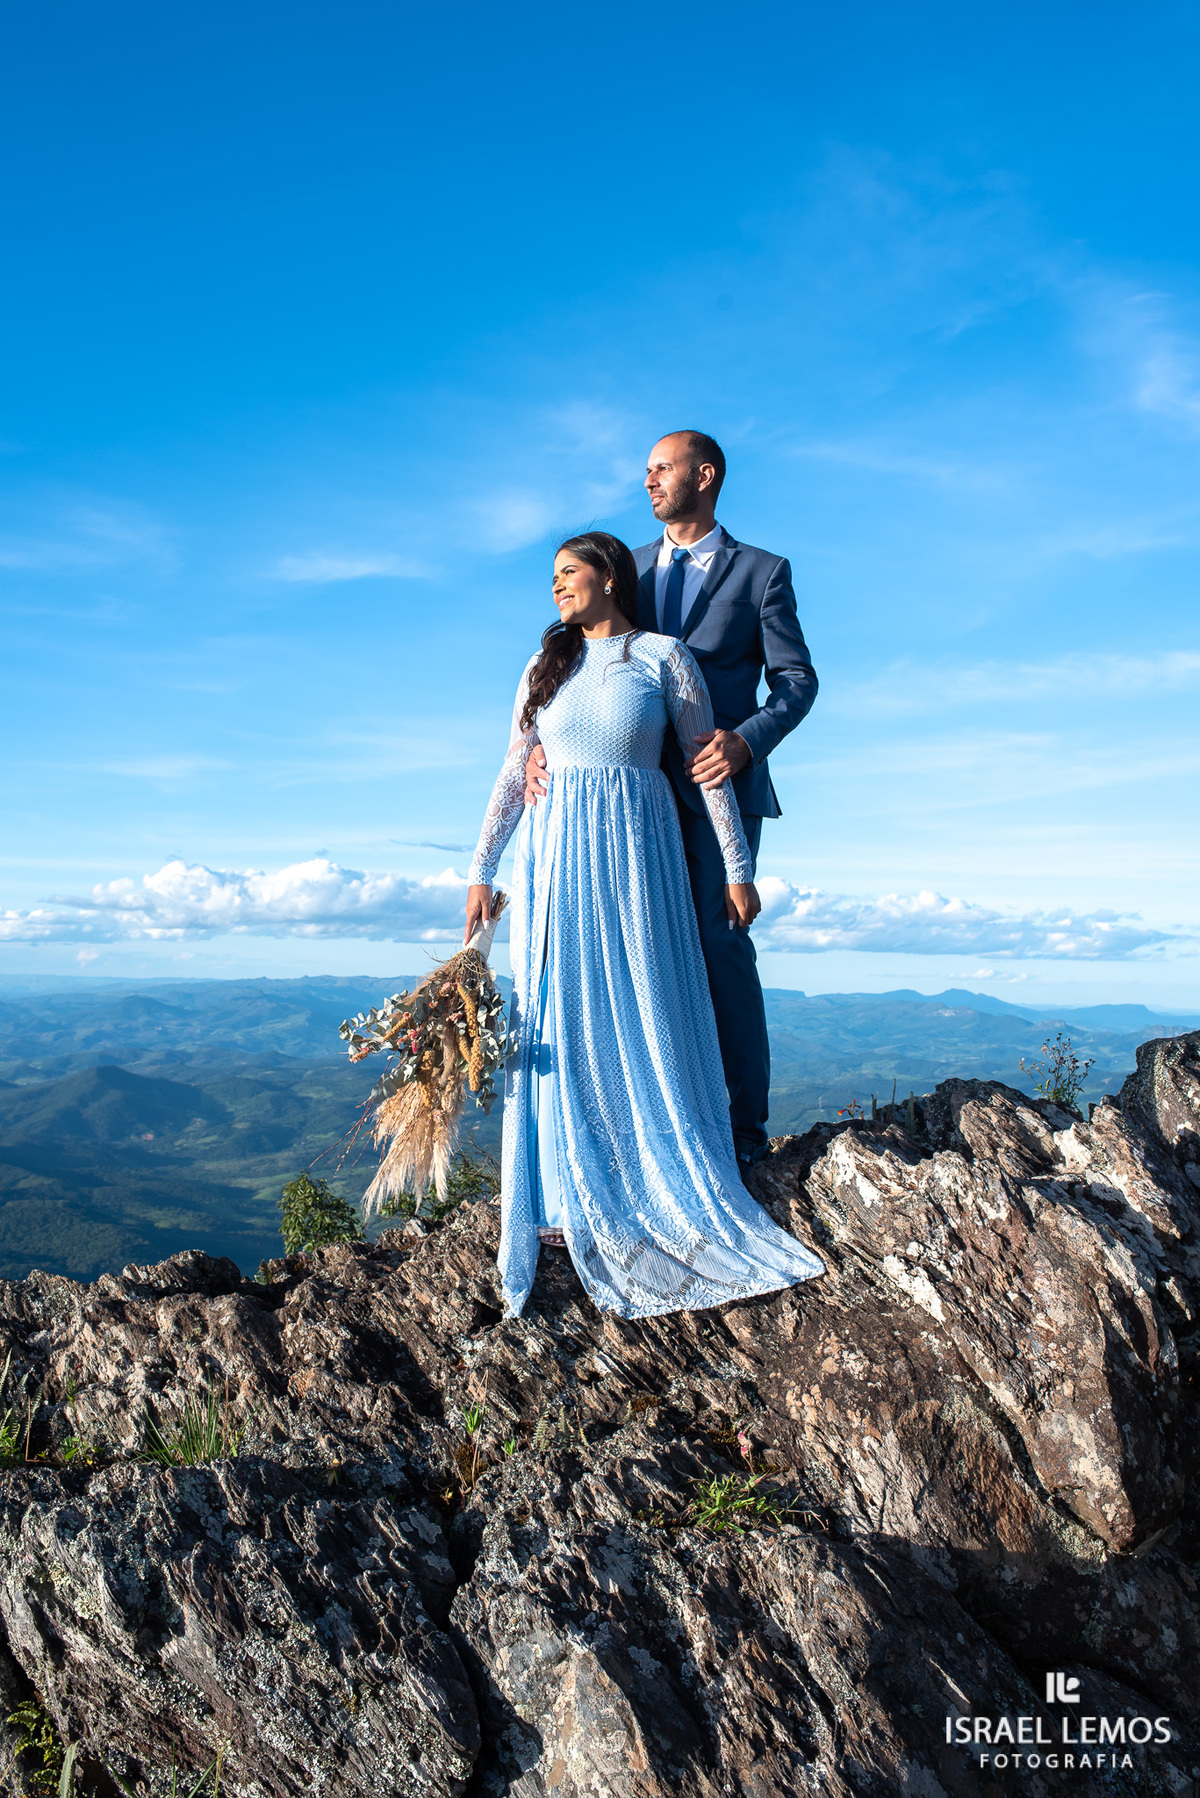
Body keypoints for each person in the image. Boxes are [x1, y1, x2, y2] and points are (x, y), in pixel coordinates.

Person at [465, 531, 823, 1320]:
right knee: (557, 1012)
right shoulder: (543, 664)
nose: (557, 585)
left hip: (636, 854)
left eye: (570, 572)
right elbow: (510, 766)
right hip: (556, 856)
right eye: (551, 575)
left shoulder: (664, 658)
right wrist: (482, 868)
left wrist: (737, 867)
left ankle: (647, 1171)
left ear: (609, 577)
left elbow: (706, 767)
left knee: (638, 1006)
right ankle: (558, 1197)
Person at [526, 433, 818, 1172]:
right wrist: (543, 745)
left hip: (722, 787)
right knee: (635, 956)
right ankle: (647, 1126)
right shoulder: (625, 570)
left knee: (720, 947)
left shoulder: (762, 573)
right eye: (647, 469)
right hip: (630, 798)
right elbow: (578, 664)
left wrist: (748, 740)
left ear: (705, 475)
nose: (647, 479)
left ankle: (743, 1133)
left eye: (662, 467)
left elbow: (797, 682)